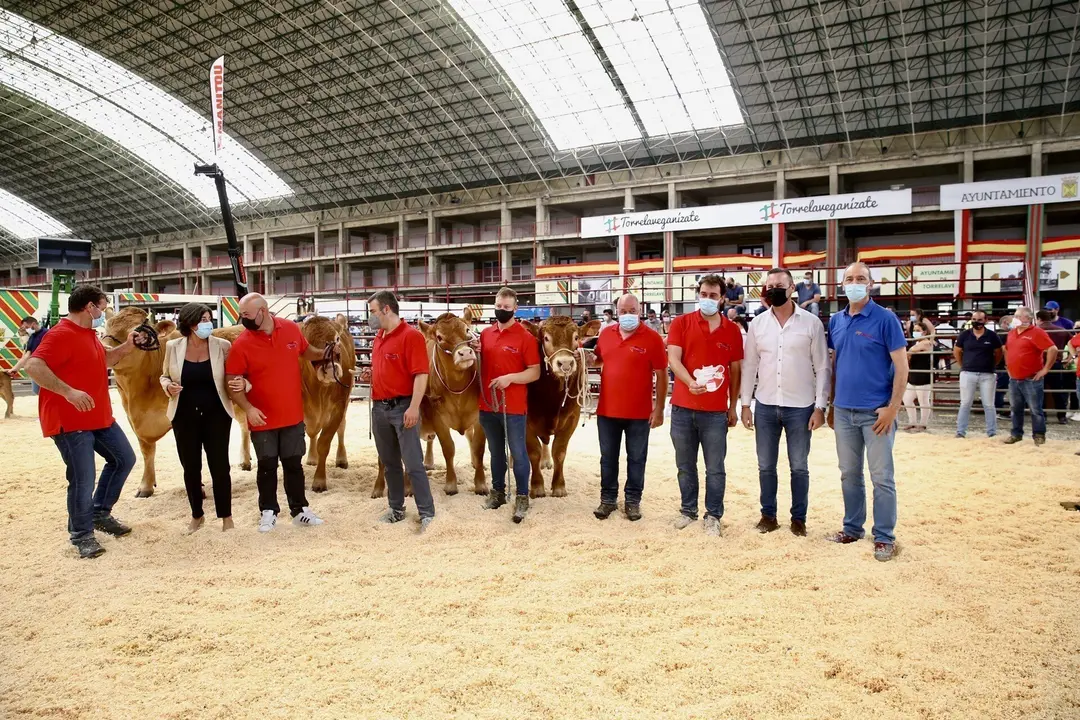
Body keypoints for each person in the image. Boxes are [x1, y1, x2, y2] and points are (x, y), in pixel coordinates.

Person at [24, 285, 140, 559]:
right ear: (90, 307)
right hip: (70, 420)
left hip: (98, 416)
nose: (103, 312)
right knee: (82, 478)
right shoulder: (61, 334)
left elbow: (103, 360)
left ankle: (100, 512)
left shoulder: (88, 334)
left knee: (124, 459)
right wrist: (68, 391)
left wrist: (126, 347)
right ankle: (81, 535)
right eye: (102, 306)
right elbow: (33, 366)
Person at [225, 292, 329, 532]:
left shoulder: (292, 329)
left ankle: (299, 509)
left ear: (263, 311)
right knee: (267, 466)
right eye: (242, 315)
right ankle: (268, 511)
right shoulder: (242, 344)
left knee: (294, 465)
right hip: (262, 418)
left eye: (247, 314)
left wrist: (325, 354)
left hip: (292, 416)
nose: (244, 319)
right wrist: (248, 409)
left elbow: (306, 351)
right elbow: (232, 382)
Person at [827, 263, 908, 562]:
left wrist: (892, 409)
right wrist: (833, 405)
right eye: (849, 279)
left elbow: (902, 366)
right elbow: (836, 366)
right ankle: (852, 528)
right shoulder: (836, 321)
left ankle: (884, 536)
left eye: (861, 278)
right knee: (849, 474)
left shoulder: (886, 319)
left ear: (871, 285)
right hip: (844, 411)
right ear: (842, 284)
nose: (854, 283)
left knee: (881, 476)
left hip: (876, 414)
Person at [740, 268, 828, 537]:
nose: (774, 289)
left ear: (792, 289)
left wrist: (820, 406)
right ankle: (768, 515)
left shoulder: (812, 323)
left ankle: (798, 519)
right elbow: (750, 365)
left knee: (799, 466)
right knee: (765, 465)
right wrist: (745, 404)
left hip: (800, 406)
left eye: (780, 284)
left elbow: (822, 367)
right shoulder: (757, 324)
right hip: (765, 404)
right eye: (770, 285)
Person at [666, 273, 743, 537]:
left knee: (715, 467)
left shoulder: (732, 330)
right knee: (685, 465)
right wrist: (688, 382)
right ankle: (688, 511)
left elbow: (735, 370)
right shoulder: (681, 323)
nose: (707, 299)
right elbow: (673, 359)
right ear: (698, 295)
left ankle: (713, 515)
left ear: (722, 299)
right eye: (703, 294)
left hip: (715, 411)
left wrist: (732, 407)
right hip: (682, 407)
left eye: (713, 296)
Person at [160, 303, 238, 533]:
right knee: (191, 468)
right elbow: (164, 375)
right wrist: (168, 386)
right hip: (183, 415)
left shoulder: (222, 346)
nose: (208, 323)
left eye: (209, 318)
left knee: (220, 466)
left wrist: (244, 384)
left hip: (217, 414)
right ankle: (197, 515)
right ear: (191, 323)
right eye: (203, 319)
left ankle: (227, 517)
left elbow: (234, 376)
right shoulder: (173, 346)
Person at [592, 293, 668, 522]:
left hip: (639, 412)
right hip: (607, 410)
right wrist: (585, 359)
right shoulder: (606, 334)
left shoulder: (652, 338)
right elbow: (598, 359)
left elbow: (662, 375)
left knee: (637, 457)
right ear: (617, 312)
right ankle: (608, 499)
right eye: (623, 311)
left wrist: (659, 409)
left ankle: (633, 501)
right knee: (608, 457)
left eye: (631, 311)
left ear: (639, 310)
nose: (627, 315)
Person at [367, 290, 436, 530]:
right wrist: (372, 375)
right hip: (380, 408)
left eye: (373, 311)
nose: (370, 316)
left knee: (413, 461)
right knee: (389, 462)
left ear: (386, 309)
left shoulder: (411, 336)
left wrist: (414, 407)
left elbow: (421, 374)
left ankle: (427, 513)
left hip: (403, 406)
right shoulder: (379, 336)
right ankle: (396, 508)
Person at [477, 287, 541, 522]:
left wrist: (510, 378)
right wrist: (475, 353)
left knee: (518, 452)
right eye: (498, 306)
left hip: (513, 406)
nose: (501, 310)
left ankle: (522, 497)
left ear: (515, 308)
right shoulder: (485, 334)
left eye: (506, 307)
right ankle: (498, 493)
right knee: (495, 453)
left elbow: (534, 373)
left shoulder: (525, 338)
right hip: (487, 404)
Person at [1003, 307, 1057, 446]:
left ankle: (1039, 435)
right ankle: (1016, 434)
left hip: (1031, 378)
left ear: (1027, 318)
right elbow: (1007, 349)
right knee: (1015, 408)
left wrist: (1045, 369)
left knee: (1035, 409)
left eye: (1018, 316)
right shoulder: (1012, 333)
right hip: (1014, 377)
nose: (1014, 318)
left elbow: (1053, 348)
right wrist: (1008, 366)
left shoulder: (1037, 332)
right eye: (1015, 315)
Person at [954, 310, 1003, 438]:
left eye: (980, 319)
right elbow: (957, 351)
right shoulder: (965, 335)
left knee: (988, 404)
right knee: (965, 403)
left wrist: (992, 365)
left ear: (986, 320)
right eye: (974, 319)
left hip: (987, 374)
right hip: (968, 372)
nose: (977, 322)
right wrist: (963, 365)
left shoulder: (992, 336)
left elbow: (999, 353)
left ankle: (992, 432)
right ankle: (960, 431)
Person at [1036, 310, 1070, 424]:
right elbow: (1073, 342)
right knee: (1058, 390)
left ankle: (1043, 415)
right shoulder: (1062, 330)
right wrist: (1070, 357)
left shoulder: (1036, 331)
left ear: (1039, 319)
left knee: (1040, 390)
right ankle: (1062, 416)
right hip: (1056, 363)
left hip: (1039, 364)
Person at [902, 324, 934, 432]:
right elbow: (910, 351)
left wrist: (911, 351)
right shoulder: (917, 343)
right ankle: (913, 422)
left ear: (924, 332)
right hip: (913, 375)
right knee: (907, 399)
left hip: (923, 376)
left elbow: (911, 350)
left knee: (923, 401)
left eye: (918, 330)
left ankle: (923, 424)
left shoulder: (927, 342)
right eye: (914, 330)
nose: (915, 332)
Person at [7, 316, 48, 393]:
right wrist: (15, 369)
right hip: (36, 369)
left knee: (45, 392)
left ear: (33, 324)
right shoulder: (32, 337)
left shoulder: (47, 334)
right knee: (36, 391)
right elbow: (27, 355)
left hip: (47, 368)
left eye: (26, 327)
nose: (26, 329)